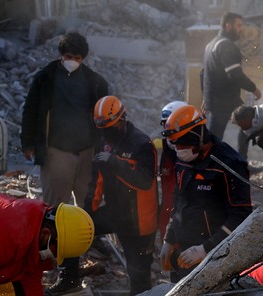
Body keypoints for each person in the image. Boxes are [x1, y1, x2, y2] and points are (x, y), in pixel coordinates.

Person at [159, 105, 252, 281]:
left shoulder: (229, 164)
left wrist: (206, 249)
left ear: (199, 135)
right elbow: (179, 201)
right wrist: (169, 239)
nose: (180, 149)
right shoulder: (183, 160)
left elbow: (241, 215)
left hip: (216, 255)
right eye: (175, 144)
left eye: (184, 143)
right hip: (183, 251)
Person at [21, 32, 109, 207]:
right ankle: (55, 236)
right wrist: (28, 143)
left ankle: (87, 235)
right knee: (55, 207)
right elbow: (30, 111)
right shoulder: (45, 78)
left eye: (77, 58)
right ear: (61, 55)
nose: (72, 61)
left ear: (83, 59)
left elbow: (104, 116)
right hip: (56, 152)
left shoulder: (95, 82)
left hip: (87, 153)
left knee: (88, 206)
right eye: (68, 57)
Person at [83, 96, 158, 295]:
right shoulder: (104, 141)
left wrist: (115, 162)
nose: (106, 133)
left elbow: (144, 181)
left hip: (139, 221)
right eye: (102, 129)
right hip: (115, 213)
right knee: (74, 230)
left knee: (138, 274)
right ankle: (69, 279)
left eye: (109, 128)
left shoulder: (141, 144)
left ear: (122, 120)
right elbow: (96, 181)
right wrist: (85, 213)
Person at [202, 12, 261, 159]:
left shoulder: (211, 44)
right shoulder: (226, 46)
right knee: (217, 137)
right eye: (238, 25)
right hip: (224, 100)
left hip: (218, 99)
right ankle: (235, 161)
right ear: (228, 26)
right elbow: (235, 74)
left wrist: (205, 96)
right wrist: (253, 88)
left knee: (245, 123)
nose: (241, 29)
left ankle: (231, 161)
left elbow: (203, 74)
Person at [158, 100, 187, 238]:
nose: (167, 129)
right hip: (168, 217)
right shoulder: (166, 151)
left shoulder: (194, 153)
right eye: (165, 124)